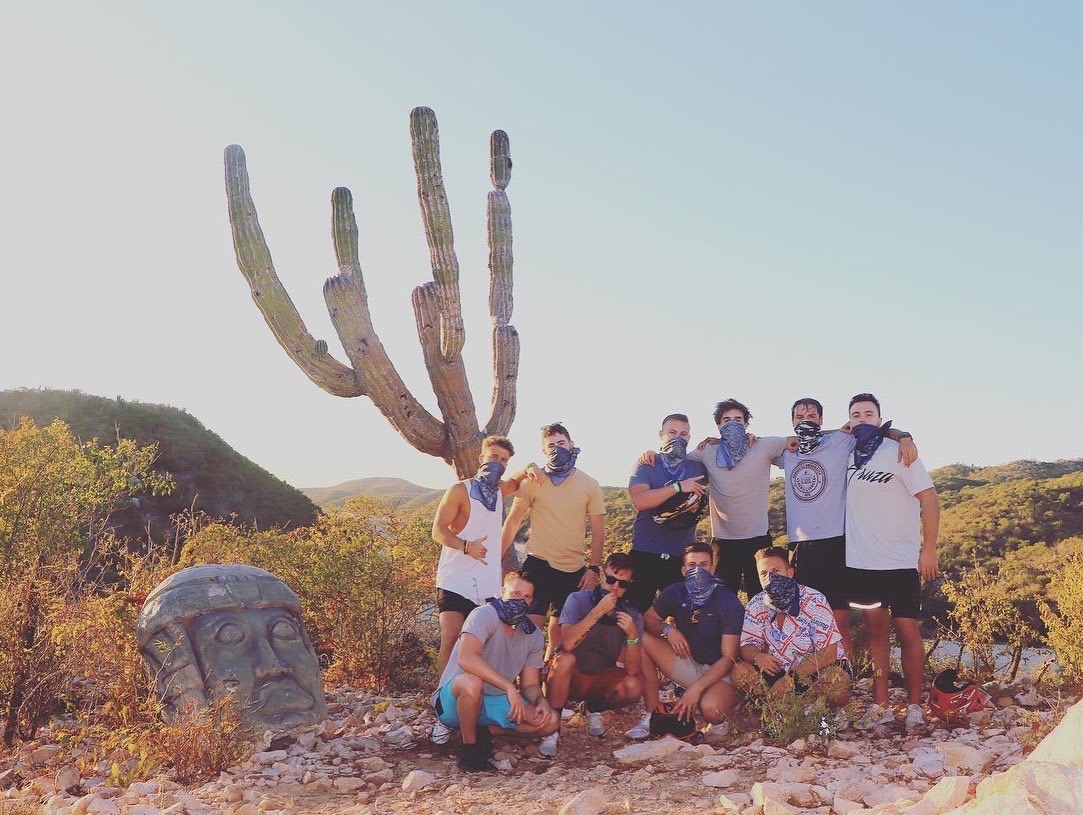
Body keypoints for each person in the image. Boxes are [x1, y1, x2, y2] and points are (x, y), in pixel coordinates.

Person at [778, 397, 917, 658]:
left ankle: (847, 677)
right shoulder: (785, 449)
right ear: (792, 421)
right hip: (799, 547)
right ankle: (814, 677)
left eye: (811, 416)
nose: (805, 420)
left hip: (836, 543)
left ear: (821, 419)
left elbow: (877, 428)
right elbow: (750, 449)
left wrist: (905, 437)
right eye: (799, 417)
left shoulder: (840, 441)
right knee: (805, 620)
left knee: (837, 623)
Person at [430, 435, 538, 745]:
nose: (498, 464)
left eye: (503, 460)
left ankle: (478, 706)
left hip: (488, 584)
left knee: (483, 643)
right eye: (493, 457)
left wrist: (530, 468)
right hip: (455, 578)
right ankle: (442, 711)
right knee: (451, 638)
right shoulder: (460, 490)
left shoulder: (500, 492)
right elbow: (438, 530)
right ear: (481, 458)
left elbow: (516, 481)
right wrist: (466, 546)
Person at [843, 393, 939, 731]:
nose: (862, 419)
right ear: (849, 421)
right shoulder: (847, 453)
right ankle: (881, 705)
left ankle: (914, 706)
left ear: (880, 419)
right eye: (856, 414)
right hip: (861, 562)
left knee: (908, 630)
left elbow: (929, 498)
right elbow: (823, 434)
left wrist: (929, 549)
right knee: (876, 633)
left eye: (869, 414)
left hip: (900, 561)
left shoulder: (899, 451)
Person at [430, 571, 559, 772]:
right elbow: (466, 658)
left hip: (494, 699)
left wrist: (540, 701)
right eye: (516, 593)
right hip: (456, 697)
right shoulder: (483, 615)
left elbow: (530, 684)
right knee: (472, 682)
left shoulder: (532, 634)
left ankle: (488, 730)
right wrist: (508, 687)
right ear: (502, 592)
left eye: (527, 597)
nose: (520, 601)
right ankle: (470, 749)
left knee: (550, 722)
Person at [502, 423, 606, 658]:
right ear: (543, 451)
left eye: (561, 443)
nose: (557, 448)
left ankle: (549, 678)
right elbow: (513, 522)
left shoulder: (589, 484)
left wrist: (593, 568)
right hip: (538, 564)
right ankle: (524, 678)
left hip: (573, 569)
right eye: (551, 445)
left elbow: (599, 531)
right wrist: (495, 559)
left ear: (571, 444)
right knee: (529, 630)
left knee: (558, 636)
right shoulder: (532, 481)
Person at [625, 542, 744, 740]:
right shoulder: (675, 592)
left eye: (704, 565)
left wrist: (695, 690)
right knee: (643, 639)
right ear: (683, 570)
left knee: (712, 710)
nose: (698, 570)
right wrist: (668, 630)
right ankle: (652, 715)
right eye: (692, 565)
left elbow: (729, 657)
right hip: (691, 661)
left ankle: (729, 703)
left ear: (712, 569)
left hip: (720, 672)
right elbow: (648, 619)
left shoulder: (727, 601)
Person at [540, 553, 644, 757]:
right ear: (602, 575)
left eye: (622, 584)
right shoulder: (577, 599)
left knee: (633, 686)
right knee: (565, 659)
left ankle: (593, 708)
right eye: (611, 580)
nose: (615, 588)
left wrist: (632, 636)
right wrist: (596, 613)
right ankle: (552, 728)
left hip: (600, 677)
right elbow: (567, 643)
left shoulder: (632, 614)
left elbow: (632, 669)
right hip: (569, 675)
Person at [733, 547, 851, 711]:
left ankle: (819, 710)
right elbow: (747, 645)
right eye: (764, 573)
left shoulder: (814, 600)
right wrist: (757, 656)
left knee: (836, 682)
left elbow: (829, 653)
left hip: (814, 669)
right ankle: (771, 709)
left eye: (776, 571)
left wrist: (792, 679)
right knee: (739, 671)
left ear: (790, 572)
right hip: (777, 669)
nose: (770, 578)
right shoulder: (756, 604)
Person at [625, 413, 709, 613]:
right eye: (672, 432)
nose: (678, 438)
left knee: (682, 616)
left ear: (689, 438)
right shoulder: (647, 463)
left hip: (681, 555)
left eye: (683, 434)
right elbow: (640, 501)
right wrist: (678, 487)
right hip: (646, 551)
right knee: (634, 614)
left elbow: (723, 460)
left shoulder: (697, 467)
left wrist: (714, 441)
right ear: (660, 435)